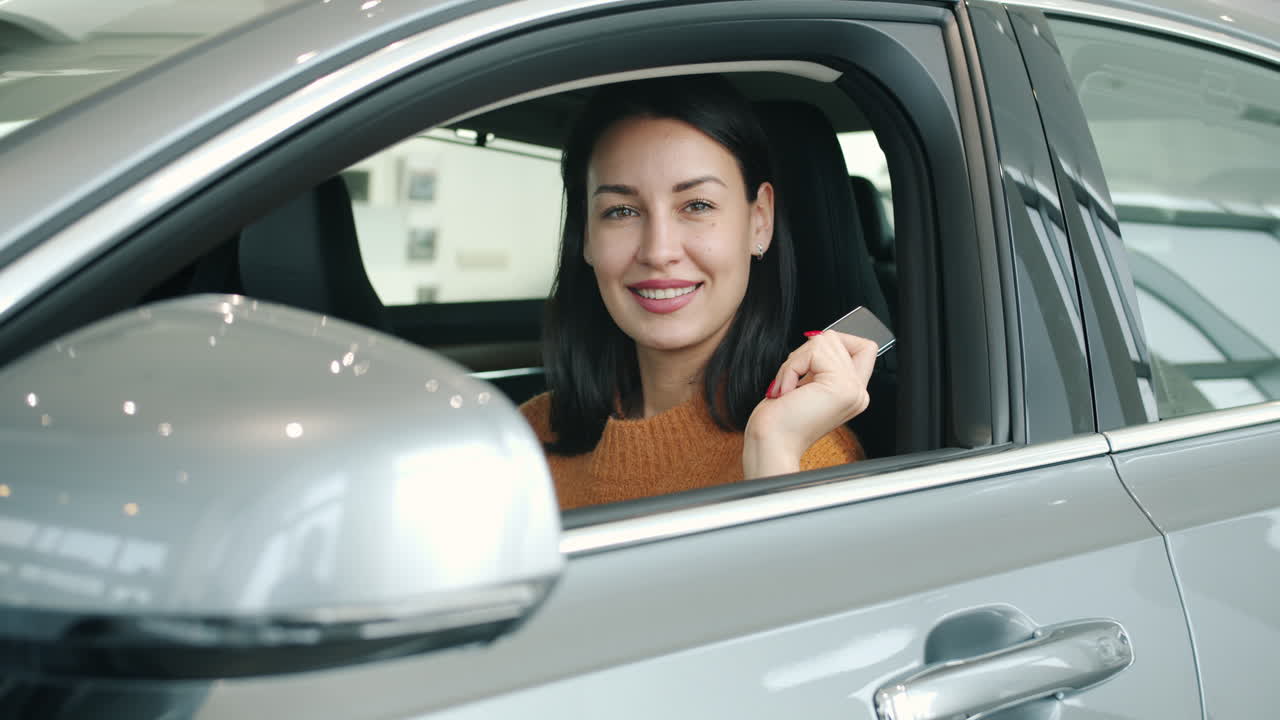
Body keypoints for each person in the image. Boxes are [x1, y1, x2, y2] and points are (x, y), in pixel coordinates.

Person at [520, 75, 879, 510]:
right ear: (587, 238)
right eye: (621, 211)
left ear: (759, 220)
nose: (658, 251)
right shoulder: (528, 438)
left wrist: (772, 451)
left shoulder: (808, 453)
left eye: (697, 205)